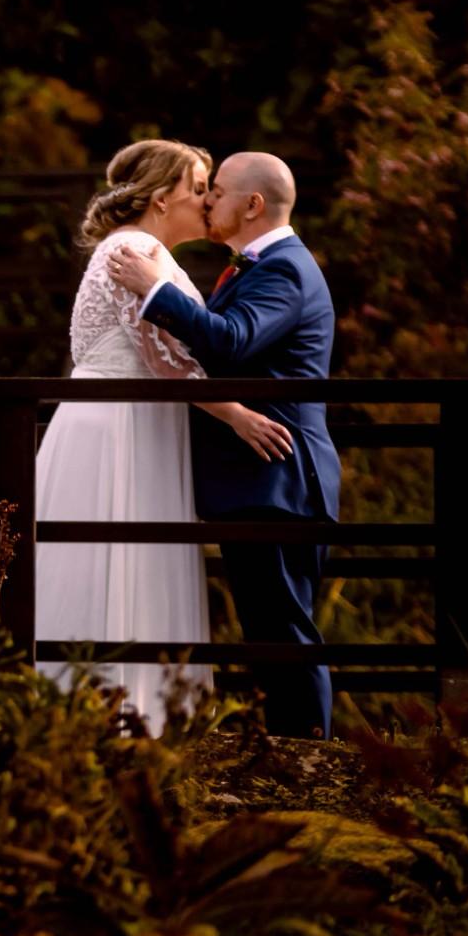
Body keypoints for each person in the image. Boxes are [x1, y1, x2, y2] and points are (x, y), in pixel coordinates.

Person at [0, 139, 293, 733]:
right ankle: (103, 709)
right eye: (198, 188)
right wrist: (237, 415)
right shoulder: (134, 249)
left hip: (138, 422)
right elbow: (166, 362)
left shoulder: (146, 253)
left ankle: (123, 706)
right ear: (162, 195)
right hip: (117, 427)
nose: (205, 200)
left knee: (124, 557)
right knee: (103, 554)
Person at [104, 152, 340, 736]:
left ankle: (311, 756)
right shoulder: (254, 267)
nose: (208, 202)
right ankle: (294, 752)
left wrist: (156, 289)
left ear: (253, 204)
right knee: (270, 629)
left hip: (278, 477)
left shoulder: (284, 268)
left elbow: (231, 342)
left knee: (284, 629)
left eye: (220, 192)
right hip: (258, 479)